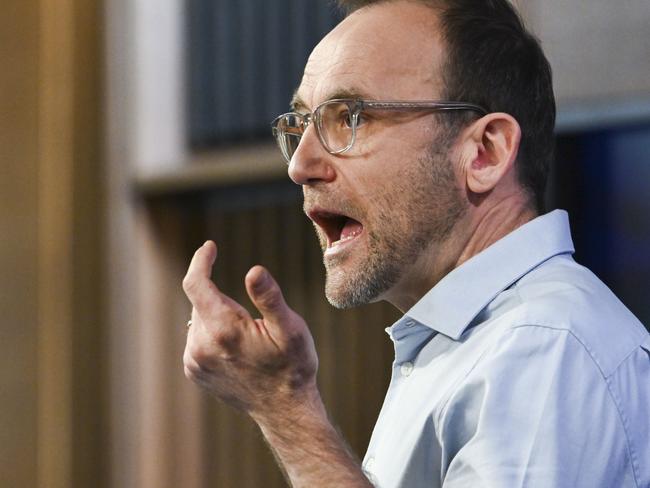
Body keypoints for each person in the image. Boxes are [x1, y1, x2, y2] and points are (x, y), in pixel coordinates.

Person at [182, 0, 650, 486]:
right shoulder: (472, 343)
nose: (299, 166)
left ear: (484, 153)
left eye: (351, 118)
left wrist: (285, 406)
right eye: (301, 125)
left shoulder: (543, 346)